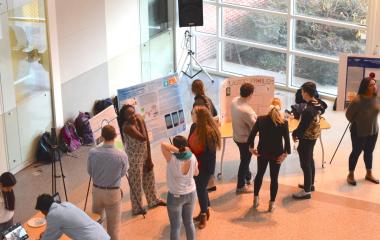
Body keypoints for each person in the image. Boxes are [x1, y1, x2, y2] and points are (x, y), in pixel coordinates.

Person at [118, 104, 166, 216]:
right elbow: (143, 137)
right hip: (134, 158)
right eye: (129, 114)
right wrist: (140, 121)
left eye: (133, 112)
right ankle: (137, 208)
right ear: (124, 117)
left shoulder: (138, 119)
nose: (132, 115)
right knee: (136, 183)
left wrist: (149, 158)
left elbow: (147, 141)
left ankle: (153, 200)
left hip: (144, 154)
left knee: (149, 176)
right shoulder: (127, 127)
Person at [247, 98, 291, 211]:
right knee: (274, 178)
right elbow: (287, 141)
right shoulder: (284, 122)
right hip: (277, 154)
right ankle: (271, 204)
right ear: (280, 108)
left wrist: (251, 148)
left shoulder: (261, 119)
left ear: (269, 107)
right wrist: (284, 155)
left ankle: (255, 199)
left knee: (259, 175)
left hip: (262, 152)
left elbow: (251, 135)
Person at [87, 125, 129, 240]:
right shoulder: (122, 155)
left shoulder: (93, 152)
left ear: (102, 136)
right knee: (113, 228)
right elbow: (123, 172)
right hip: (113, 193)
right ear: (115, 136)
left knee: (96, 224)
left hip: (97, 191)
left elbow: (90, 171)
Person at [188, 106, 221, 229]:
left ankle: (203, 214)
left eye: (193, 113)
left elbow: (210, 155)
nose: (191, 115)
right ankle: (206, 210)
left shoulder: (209, 132)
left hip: (204, 167)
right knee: (201, 189)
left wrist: (207, 171)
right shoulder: (193, 127)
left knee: (200, 189)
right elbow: (189, 143)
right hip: (195, 165)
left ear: (199, 116)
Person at [292, 83, 326, 199]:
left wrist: (295, 134)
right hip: (314, 136)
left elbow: (302, 127)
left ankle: (306, 191)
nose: (301, 94)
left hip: (306, 138)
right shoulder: (317, 103)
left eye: (302, 92)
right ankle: (310, 185)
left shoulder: (308, 110)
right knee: (310, 159)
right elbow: (324, 106)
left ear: (306, 93)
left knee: (305, 164)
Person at [161, 136, 198, 240]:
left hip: (175, 196)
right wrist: (183, 151)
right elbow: (196, 173)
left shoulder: (171, 158)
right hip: (191, 193)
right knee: (189, 222)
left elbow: (163, 144)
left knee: (175, 227)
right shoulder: (192, 157)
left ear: (174, 146)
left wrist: (178, 151)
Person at [345, 77, 379, 185]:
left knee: (369, 152)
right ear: (365, 87)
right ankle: (350, 174)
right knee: (356, 152)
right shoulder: (357, 100)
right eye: (371, 85)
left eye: (375, 84)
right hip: (359, 131)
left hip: (373, 130)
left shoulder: (376, 98)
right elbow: (348, 115)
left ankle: (369, 173)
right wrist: (359, 121)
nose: (374, 86)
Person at [36, 194, 110, 240]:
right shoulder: (66, 204)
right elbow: (59, 230)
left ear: (44, 209)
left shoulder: (53, 214)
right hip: (102, 234)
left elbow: (49, 238)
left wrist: (43, 237)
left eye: (41, 211)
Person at [191, 79, 218, 192]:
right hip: (211, 131)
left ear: (193, 90)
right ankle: (211, 184)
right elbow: (215, 114)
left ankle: (204, 185)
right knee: (210, 158)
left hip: (202, 134)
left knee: (202, 159)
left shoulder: (197, 103)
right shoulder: (208, 99)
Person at [231, 82, 257, 193]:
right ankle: (240, 186)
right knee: (245, 161)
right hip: (245, 139)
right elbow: (255, 127)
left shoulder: (234, 101)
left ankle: (248, 177)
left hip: (236, 136)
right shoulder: (247, 111)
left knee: (244, 158)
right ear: (250, 94)